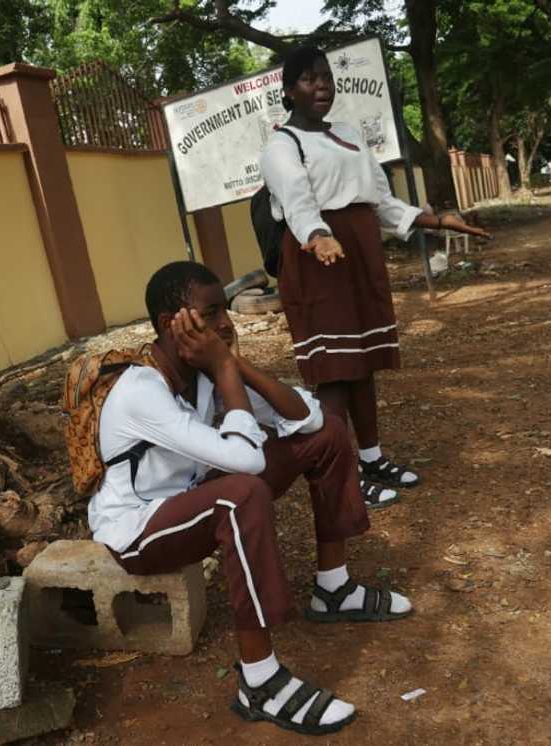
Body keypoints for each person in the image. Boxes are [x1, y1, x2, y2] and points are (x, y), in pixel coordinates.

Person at [88, 261, 412, 735]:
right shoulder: (141, 390)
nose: (225, 323)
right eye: (211, 312)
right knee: (241, 493)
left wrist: (232, 366)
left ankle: (334, 589)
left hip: (191, 499)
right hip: (138, 530)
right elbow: (248, 464)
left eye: (226, 311)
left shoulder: (202, 375)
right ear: (169, 324)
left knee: (329, 436)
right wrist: (222, 365)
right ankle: (259, 680)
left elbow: (311, 417)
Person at [259, 46, 489, 507]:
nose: (321, 85)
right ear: (288, 91)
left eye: (325, 77)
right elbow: (298, 201)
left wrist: (437, 221)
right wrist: (320, 235)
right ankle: (339, 475)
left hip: (358, 252)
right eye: (308, 79)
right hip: (317, 257)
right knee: (333, 372)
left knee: (362, 365)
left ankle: (371, 456)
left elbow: (380, 200)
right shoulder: (282, 145)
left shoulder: (347, 134)